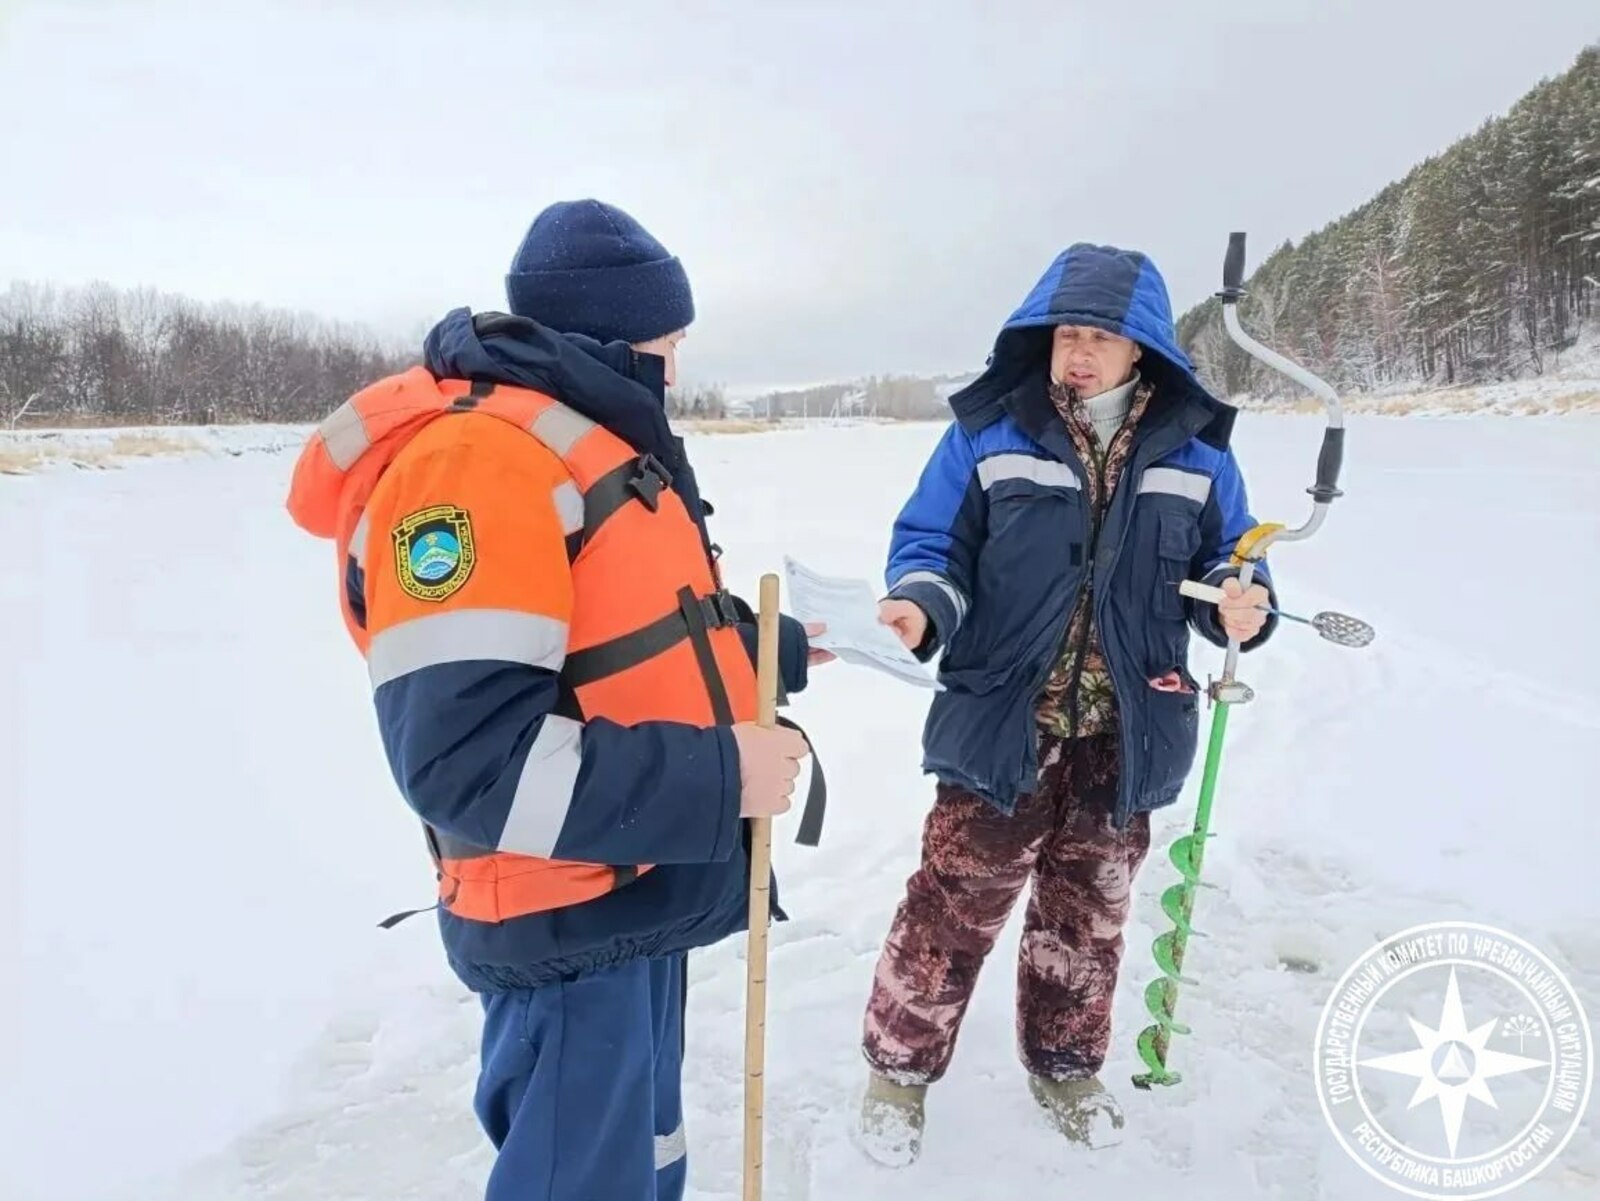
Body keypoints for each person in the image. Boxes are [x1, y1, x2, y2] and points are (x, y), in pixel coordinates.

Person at [286, 198, 830, 1201]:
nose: (676, 364)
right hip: (564, 915)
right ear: (616, 337)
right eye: (668, 342)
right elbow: (466, 761)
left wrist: (775, 648)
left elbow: (620, 630)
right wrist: (725, 774)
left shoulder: (584, 442)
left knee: (642, 1168)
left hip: (634, 877)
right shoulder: (479, 467)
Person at [857, 242, 1277, 1162]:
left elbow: (1231, 561)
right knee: (950, 908)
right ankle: (897, 1072)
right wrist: (920, 602)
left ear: (1145, 350)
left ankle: (1065, 1064)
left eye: (1103, 336)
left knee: (1089, 914)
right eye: (1068, 332)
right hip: (1005, 719)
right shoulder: (990, 430)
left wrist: (1246, 598)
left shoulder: (1198, 451)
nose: (1078, 351)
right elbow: (932, 542)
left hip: (1128, 730)